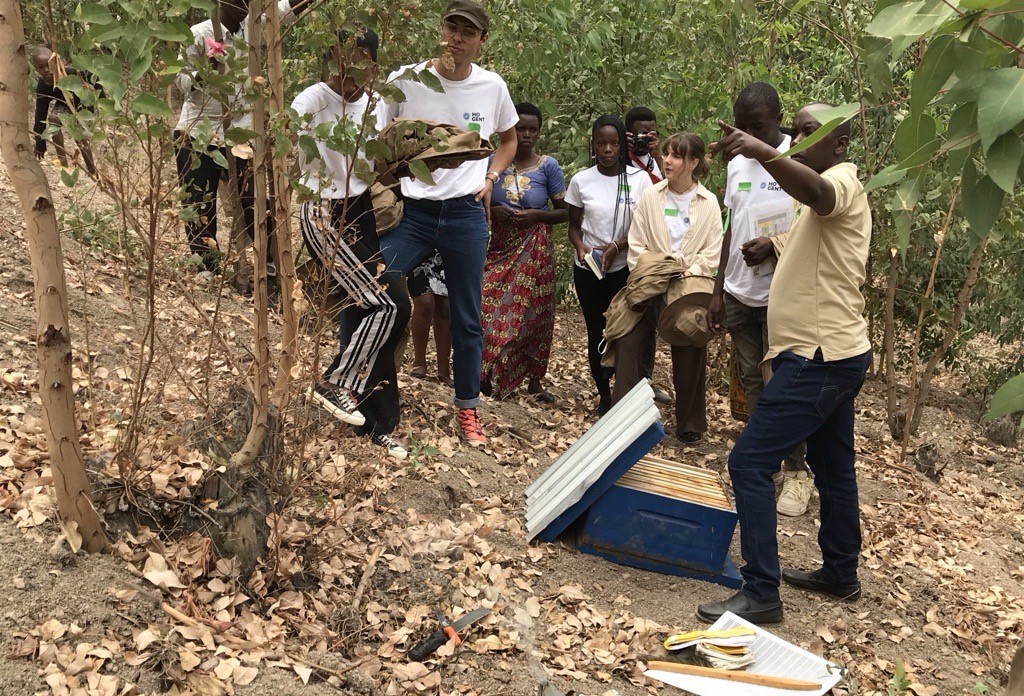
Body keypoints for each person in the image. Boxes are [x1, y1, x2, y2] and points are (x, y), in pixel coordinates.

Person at [697, 104, 872, 625]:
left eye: (809, 133)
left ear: (839, 144)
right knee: (835, 467)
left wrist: (765, 152)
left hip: (819, 359)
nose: (797, 140)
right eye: (793, 131)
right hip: (836, 352)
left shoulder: (840, 181)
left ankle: (760, 593)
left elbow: (818, 196)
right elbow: (806, 237)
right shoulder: (816, 194)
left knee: (748, 462)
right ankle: (840, 572)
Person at [378, 0, 518, 447]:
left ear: (481, 41)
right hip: (413, 211)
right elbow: (378, 139)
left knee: (466, 316)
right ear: (441, 29)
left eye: (467, 32)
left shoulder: (491, 87)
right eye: (451, 27)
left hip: (464, 212)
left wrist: (492, 177)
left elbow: (509, 137)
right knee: (376, 284)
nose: (456, 37)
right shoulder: (407, 79)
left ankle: (467, 409)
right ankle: (359, 385)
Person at [295, 28, 410, 460]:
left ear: (373, 65)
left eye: (361, 61)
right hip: (322, 210)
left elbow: (381, 159)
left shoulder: (375, 106)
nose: (351, 70)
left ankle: (377, 422)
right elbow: (284, 126)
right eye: (344, 59)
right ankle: (334, 382)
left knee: (387, 311)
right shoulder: (313, 99)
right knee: (387, 305)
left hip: (359, 207)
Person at [707, 82, 814, 517]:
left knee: (783, 384)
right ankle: (761, 462)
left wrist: (773, 246)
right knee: (751, 379)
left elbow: (813, 223)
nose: (749, 133)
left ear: (777, 120)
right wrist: (718, 289)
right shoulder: (736, 163)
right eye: (742, 125)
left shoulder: (800, 158)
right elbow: (732, 224)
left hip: (782, 292)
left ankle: (797, 471)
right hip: (739, 290)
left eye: (759, 126)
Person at [174, 0, 308, 273]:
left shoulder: (254, 28)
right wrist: (210, 67)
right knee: (199, 204)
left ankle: (267, 267)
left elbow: (289, 8)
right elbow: (183, 83)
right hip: (197, 132)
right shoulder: (198, 33)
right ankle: (206, 267)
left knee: (255, 201)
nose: (248, 4)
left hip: (240, 134)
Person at [611, 132, 722, 442]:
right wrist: (661, 270)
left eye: (675, 156)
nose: (667, 161)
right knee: (629, 343)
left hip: (688, 288)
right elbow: (636, 245)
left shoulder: (709, 202)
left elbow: (713, 251)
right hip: (648, 285)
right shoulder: (651, 196)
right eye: (666, 154)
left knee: (689, 343)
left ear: (693, 163)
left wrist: (691, 271)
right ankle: (623, 424)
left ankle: (690, 425)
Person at [565, 115, 652, 416]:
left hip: (624, 268)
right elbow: (573, 227)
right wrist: (580, 247)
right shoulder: (581, 180)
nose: (607, 149)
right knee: (596, 331)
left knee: (626, 333)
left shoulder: (639, 180)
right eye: (601, 143)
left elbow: (644, 226)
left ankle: (627, 392)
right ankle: (604, 394)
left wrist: (617, 246)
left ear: (622, 145)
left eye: (614, 143)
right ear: (593, 145)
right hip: (589, 270)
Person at [480, 102, 567, 402]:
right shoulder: (493, 162)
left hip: (534, 247)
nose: (526, 134)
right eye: (520, 128)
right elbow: (476, 201)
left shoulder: (548, 167)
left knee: (532, 316)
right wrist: (494, 210)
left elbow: (565, 212)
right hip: (498, 244)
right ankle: (486, 372)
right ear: (510, 130)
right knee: (489, 308)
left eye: (532, 129)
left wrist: (536, 216)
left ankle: (530, 378)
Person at [32, 47, 99, 176]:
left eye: (49, 65)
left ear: (55, 62)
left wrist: (100, 106)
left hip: (83, 105)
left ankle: (92, 172)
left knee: (80, 137)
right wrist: (40, 143)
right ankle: (64, 167)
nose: (46, 70)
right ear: (36, 68)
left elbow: (96, 85)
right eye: (41, 67)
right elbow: (40, 113)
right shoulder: (43, 85)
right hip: (64, 105)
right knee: (53, 118)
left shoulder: (71, 73)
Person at [407, 253, 453, 386]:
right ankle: (419, 362)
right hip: (420, 241)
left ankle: (444, 371)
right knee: (425, 303)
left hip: (447, 244)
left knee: (445, 307)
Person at [624, 106, 663, 183]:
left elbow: (670, 187)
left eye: (651, 133)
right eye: (642, 134)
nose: (646, 138)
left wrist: (657, 155)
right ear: (628, 133)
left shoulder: (662, 161)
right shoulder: (616, 161)